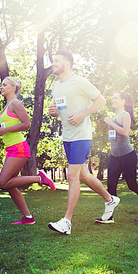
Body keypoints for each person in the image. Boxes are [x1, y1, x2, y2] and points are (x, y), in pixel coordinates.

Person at [47, 49, 119, 235]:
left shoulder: (79, 82)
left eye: (57, 60)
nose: (53, 63)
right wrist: (54, 112)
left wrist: (81, 115)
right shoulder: (56, 87)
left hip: (82, 135)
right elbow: (60, 110)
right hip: (68, 136)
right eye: (53, 61)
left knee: (72, 175)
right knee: (82, 176)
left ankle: (66, 222)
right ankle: (110, 199)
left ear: (67, 63)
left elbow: (101, 101)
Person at [0, 76, 55, 225]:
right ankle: (28, 218)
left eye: (4, 85)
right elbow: (5, 131)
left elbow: (26, 124)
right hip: (11, 149)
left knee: (2, 183)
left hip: (19, 147)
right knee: (10, 184)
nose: (1, 87)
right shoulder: (7, 106)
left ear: (13, 88)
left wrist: (3, 129)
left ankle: (39, 178)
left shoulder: (16, 103)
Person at [102, 92, 138, 222]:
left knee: (132, 185)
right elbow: (126, 131)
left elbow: (125, 132)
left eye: (115, 98)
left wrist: (110, 123)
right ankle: (109, 215)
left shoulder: (125, 114)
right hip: (115, 156)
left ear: (123, 100)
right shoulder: (116, 115)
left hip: (127, 156)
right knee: (111, 184)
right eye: (112, 97)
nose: (113, 100)